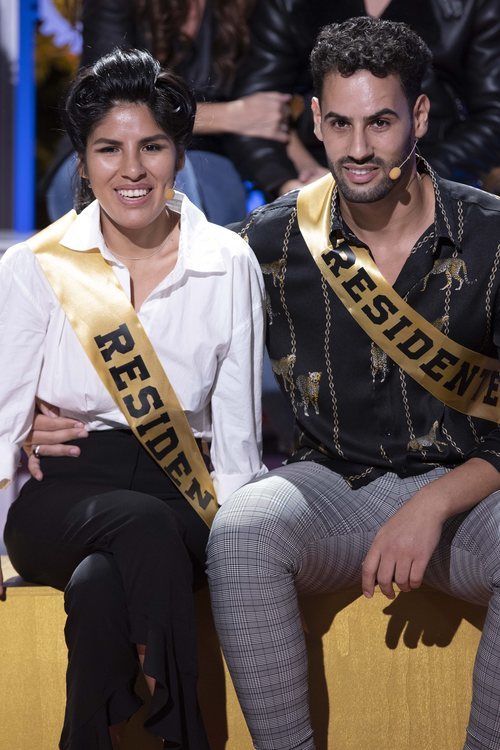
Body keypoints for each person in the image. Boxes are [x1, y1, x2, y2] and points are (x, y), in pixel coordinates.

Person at [205, 17, 500, 750]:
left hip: (469, 500)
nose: (359, 149)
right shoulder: (268, 241)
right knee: (242, 532)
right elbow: (172, 334)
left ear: (419, 116)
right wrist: (55, 406)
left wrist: (435, 502)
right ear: (315, 119)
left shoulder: (492, 235)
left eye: (380, 123)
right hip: (329, 489)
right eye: (340, 123)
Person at [0, 47, 266, 750]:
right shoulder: (33, 266)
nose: (132, 169)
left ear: (178, 154)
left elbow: (237, 436)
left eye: (151, 146)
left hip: (183, 492)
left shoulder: (227, 261)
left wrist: (241, 544)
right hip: (63, 495)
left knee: (99, 583)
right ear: (82, 163)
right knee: (133, 527)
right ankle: (184, 732)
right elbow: (2, 421)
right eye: (108, 149)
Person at [44, 0, 291, 225]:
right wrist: (230, 116)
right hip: (104, 142)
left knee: (194, 183)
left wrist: (293, 178)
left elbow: (267, 109)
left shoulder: (248, 7)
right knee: (171, 175)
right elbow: (103, 100)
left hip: (213, 153)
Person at [225, 0, 500, 199]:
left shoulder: (474, 6)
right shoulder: (288, 5)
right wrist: (289, 183)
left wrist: (418, 177)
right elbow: (255, 111)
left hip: (434, 171)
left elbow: (493, 116)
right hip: (316, 173)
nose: (361, 150)